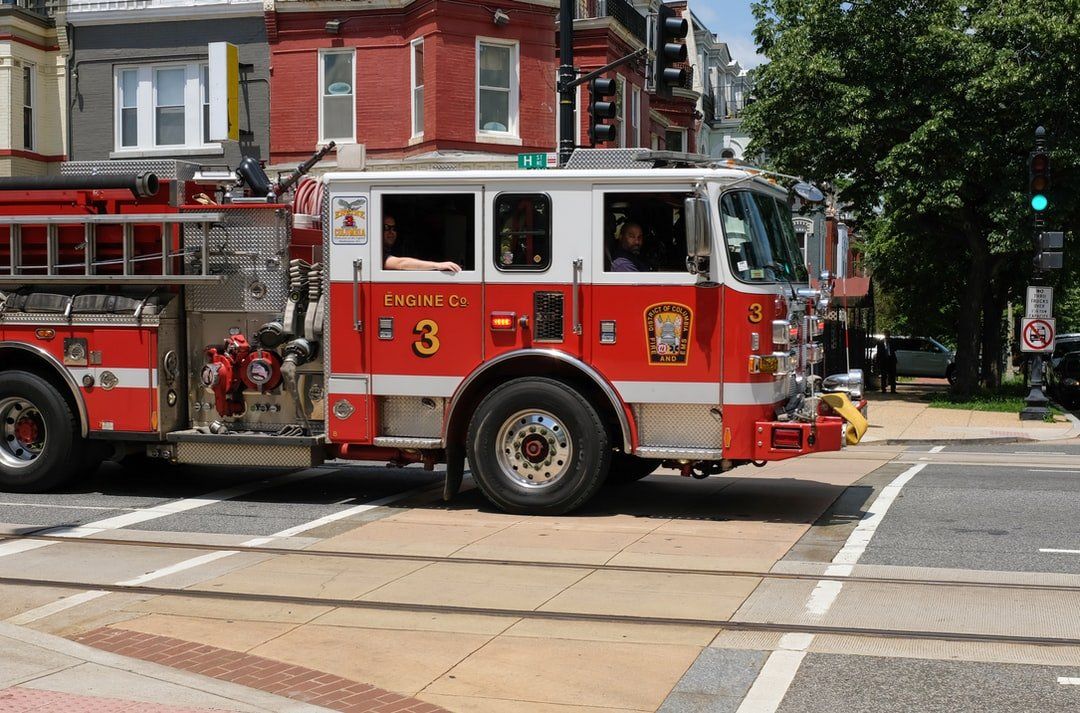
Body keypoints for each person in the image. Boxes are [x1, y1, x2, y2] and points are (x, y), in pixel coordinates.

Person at [382, 215, 462, 272]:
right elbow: (401, 263)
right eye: (386, 228)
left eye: (394, 228)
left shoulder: (393, 248)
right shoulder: (374, 252)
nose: (391, 232)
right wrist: (438, 265)